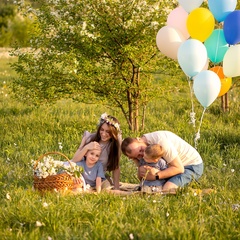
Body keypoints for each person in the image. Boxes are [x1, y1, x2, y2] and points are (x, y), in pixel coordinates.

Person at [121, 130, 203, 192]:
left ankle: (192, 191)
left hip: (191, 166)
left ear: (139, 139)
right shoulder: (145, 152)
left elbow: (179, 168)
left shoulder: (161, 142)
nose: (142, 155)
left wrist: (156, 175)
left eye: (141, 149)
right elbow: (143, 173)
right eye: (137, 156)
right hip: (171, 166)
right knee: (152, 188)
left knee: (167, 188)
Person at [72, 113, 122, 190]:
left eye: (108, 132)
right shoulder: (90, 138)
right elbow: (74, 160)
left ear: (113, 133)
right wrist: (86, 147)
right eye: (102, 130)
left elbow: (116, 166)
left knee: (107, 189)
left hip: (97, 176)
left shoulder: (113, 147)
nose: (104, 134)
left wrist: (116, 187)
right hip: (81, 174)